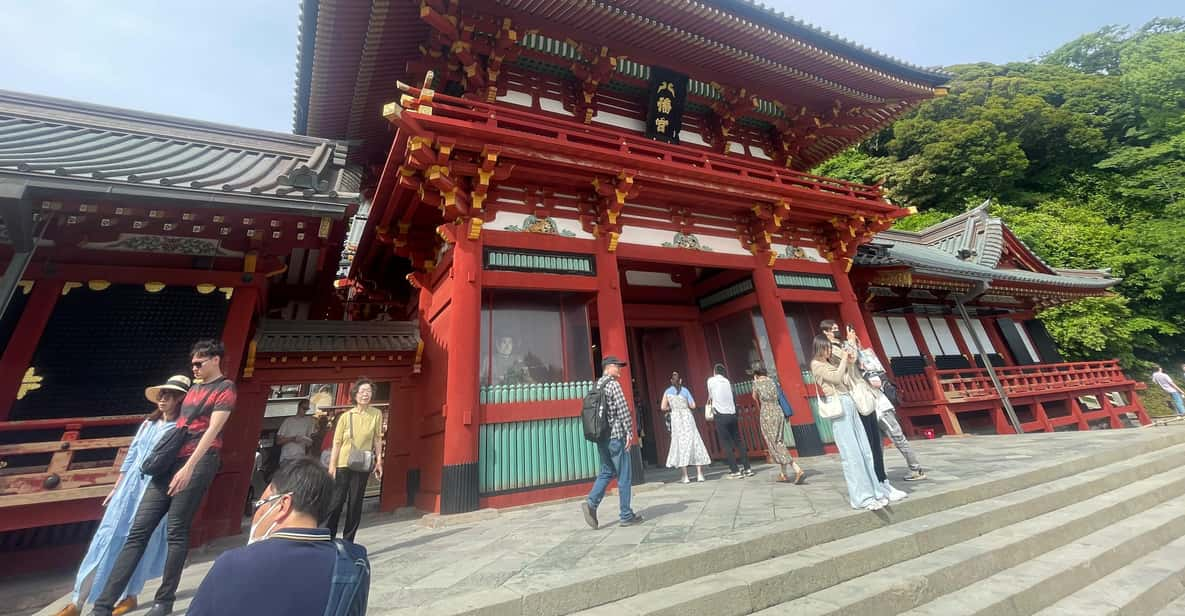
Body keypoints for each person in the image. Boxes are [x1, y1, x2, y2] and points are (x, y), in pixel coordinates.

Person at [90, 340, 235, 616]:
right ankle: (103, 604)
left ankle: (164, 600)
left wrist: (189, 467)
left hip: (198, 460)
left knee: (176, 530)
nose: (194, 367)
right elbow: (176, 424)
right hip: (169, 461)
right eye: (192, 363)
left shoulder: (225, 388)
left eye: (199, 363)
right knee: (138, 532)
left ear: (215, 360)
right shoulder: (192, 390)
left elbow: (213, 431)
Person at [55, 376, 190, 616]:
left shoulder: (182, 428)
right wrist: (117, 486)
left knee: (142, 541)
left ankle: (131, 595)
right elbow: (132, 453)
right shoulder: (149, 424)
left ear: (181, 398)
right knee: (106, 538)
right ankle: (78, 600)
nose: (163, 398)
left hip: (156, 488)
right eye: (161, 393)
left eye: (169, 394)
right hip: (129, 487)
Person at [187, 458, 370, 616]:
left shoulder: (233, 563)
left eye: (262, 503)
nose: (257, 513)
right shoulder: (354, 564)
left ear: (284, 504)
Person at [821, 320, 907, 501]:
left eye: (838, 329)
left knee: (876, 441)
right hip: (855, 397)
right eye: (833, 330)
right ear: (825, 333)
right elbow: (848, 364)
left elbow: (859, 362)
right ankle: (878, 482)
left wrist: (855, 344)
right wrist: (850, 344)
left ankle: (883, 482)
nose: (837, 332)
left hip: (865, 394)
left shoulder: (843, 345)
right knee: (868, 443)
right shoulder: (830, 351)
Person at [810, 335, 890, 511]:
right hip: (838, 405)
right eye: (826, 348)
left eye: (830, 348)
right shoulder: (816, 364)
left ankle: (875, 492)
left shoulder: (830, 363)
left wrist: (850, 362)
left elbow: (845, 379)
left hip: (850, 402)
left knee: (864, 450)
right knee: (851, 454)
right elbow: (836, 378)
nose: (829, 351)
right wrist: (844, 360)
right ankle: (861, 498)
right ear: (819, 348)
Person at [581, 356, 644, 529]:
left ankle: (591, 503)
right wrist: (630, 433)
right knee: (624, 475)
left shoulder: (596, 385)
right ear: (608, 367)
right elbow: (623, 409)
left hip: (602, 437)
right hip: (616, 436)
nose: (620, 370)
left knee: (606, 471)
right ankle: (625, 515)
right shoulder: (613, 384)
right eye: (617, 366)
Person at [326, 378, 384, 542]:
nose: (366, 394)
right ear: (355, 395)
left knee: (355, 502)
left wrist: (379, 461)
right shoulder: (346, 416)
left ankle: (348, 540)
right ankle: (328, 537)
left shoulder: (376, 414)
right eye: (362, 391)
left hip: (363, 463)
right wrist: (332, 467)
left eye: (369, 391)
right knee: (337, 501)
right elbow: (336, 443)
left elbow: (377, 439)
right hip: (343, 463)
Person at [866, 373, 927, 481]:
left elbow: (877, 383)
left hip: (882, 410)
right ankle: (878, 472)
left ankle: (916, 469)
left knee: (898, 439)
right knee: (876, 444)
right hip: (871, 411)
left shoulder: (869, 371)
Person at [752, 367, 805, 484]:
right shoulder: (773, 381)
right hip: (778, 411)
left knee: (775, 443)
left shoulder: (756, 383)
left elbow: (754, 397)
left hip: (767, 413)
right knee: (779, 440)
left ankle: (796, 468)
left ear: (756, 373)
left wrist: (755, 382)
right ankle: (783, 473)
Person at [661, 371, 710, 483]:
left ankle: (685, 476)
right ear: (681, 380)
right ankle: (700, 474)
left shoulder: (667, 392)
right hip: (687, 417)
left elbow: (663, 407)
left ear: (671, 381)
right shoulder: (685, 390)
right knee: (694, 441)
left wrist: (672, 407)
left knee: (680, 443)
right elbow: (693, 405)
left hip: (676, 418)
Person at [707, 363, 753, 479]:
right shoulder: (727, 382)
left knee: (726, 443)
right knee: (738, 441)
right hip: (732, 414)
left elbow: (710, 396)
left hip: (721, 415)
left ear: (715, 372)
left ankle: (735, 470)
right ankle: (747, 468)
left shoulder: (711, 381)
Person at [277, 399, 316, 466]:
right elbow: (278, 441)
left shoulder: (309, 421)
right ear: (298, 407)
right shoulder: (288, 421)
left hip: (300, 458)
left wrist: (308, 442)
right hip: (286, 457)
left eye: (307, 409)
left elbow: (309, 443)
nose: (305, 411)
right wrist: (292, 439)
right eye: (304, 408)